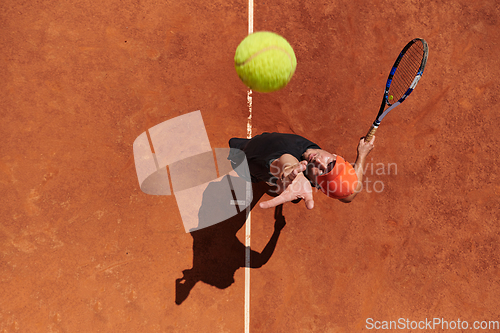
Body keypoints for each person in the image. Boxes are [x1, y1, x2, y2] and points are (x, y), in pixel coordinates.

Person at [228, 132, 375, 210]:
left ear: (317, 184)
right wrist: (361, 155)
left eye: (322, 172)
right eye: (330, 162)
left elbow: (284, 161)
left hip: (245, 159)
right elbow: (349, 195)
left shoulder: (288, 154)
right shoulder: (315, 168)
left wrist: (291, 172)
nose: (318, 161)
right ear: (337, 156)